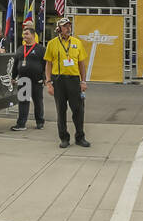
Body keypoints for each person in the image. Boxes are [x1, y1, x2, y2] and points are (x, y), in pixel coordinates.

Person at [44, 16, 89, 149]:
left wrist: (83, 81)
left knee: (78, 110)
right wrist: (48, 82)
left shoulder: (77, 42)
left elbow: (82, 64)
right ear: (59, 29)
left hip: (74, 80)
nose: (68, 28)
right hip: (59, 80)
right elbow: (48, 64)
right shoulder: (52, 43)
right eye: (65, 26)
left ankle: (80, 137)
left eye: (69, 26)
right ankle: (64, 138)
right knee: (61, 110)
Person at [11, 25, 46, 131]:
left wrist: (45, 78)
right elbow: (16, 64)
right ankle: (21, 124)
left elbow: (46, 64)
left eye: (26, 34)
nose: (24, 36)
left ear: (33, 35)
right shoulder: (20, 49)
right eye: (23, 34)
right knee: (23, 101)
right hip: (23, 79)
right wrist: (13, 77)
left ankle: (40, 122)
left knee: (38, 102)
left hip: (37, 80)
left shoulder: (41, 49)